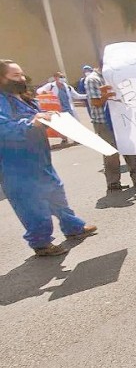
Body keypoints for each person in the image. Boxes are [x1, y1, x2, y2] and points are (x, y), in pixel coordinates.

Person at [0, 59, 96, 256]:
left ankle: (72, 227)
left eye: (22, 74)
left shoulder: (22, 98)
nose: (23, 78)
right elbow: (3, 128)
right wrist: (30, 123)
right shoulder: (2, 101)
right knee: (31, 204)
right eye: (16, 76)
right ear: (2, 79)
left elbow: (36, 117)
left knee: (56, 193)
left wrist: (47, 116)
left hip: (39, 159)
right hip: (16, 164)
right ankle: (41, 243)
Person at [84, 65, 136, 192]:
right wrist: (106, 96)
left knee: (131, 150)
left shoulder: (117, 77)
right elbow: (95, 103)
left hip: (122, 120)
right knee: (111, 153)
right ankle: (113, 183)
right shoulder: (93, 79)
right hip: (104, 122)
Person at [36, 71, 86, 144]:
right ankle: (64, 139)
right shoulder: (51, 86)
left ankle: (76, 138)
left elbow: (76, 96)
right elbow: (39, 91)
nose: (63, 79)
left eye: (63, 77)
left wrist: (87, 96)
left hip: (68, 109)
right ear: (56, 78)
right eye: (61, 77)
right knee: (61, 125)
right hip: (57, 109)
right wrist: (44, 92)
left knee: (72, 124)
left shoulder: (67, 87)